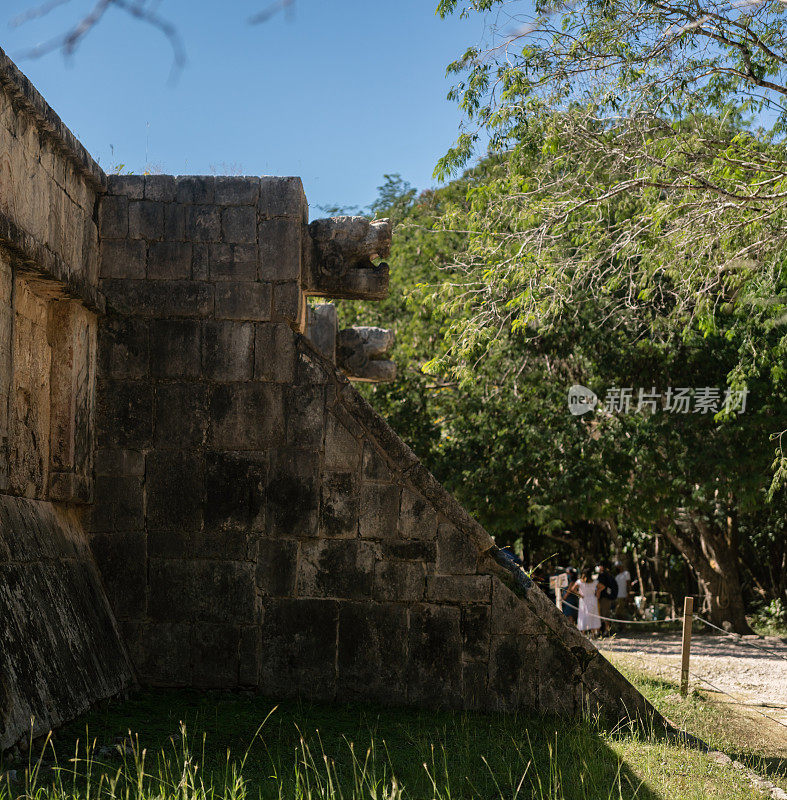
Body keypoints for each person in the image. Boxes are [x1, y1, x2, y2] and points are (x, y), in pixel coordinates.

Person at [569, 567, 602, 638]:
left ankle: (583, 634)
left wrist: (579, 594)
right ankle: (593, 634)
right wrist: (598, 592)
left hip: (584, 599)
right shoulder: (594, 582)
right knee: (592, 615)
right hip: (592, 599)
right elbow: (602, 587)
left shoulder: (579, 582)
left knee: (583, 616)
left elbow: (572, 589)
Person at [596, 561, 618, 636]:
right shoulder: (608, 575)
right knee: (603, 614)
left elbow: (602, 586)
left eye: (599, 566)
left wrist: (598, 593)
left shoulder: (603, 575)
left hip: (605, 598)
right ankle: (605, 630)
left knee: (605, 615)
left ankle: (607, 631)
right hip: (606, 597)